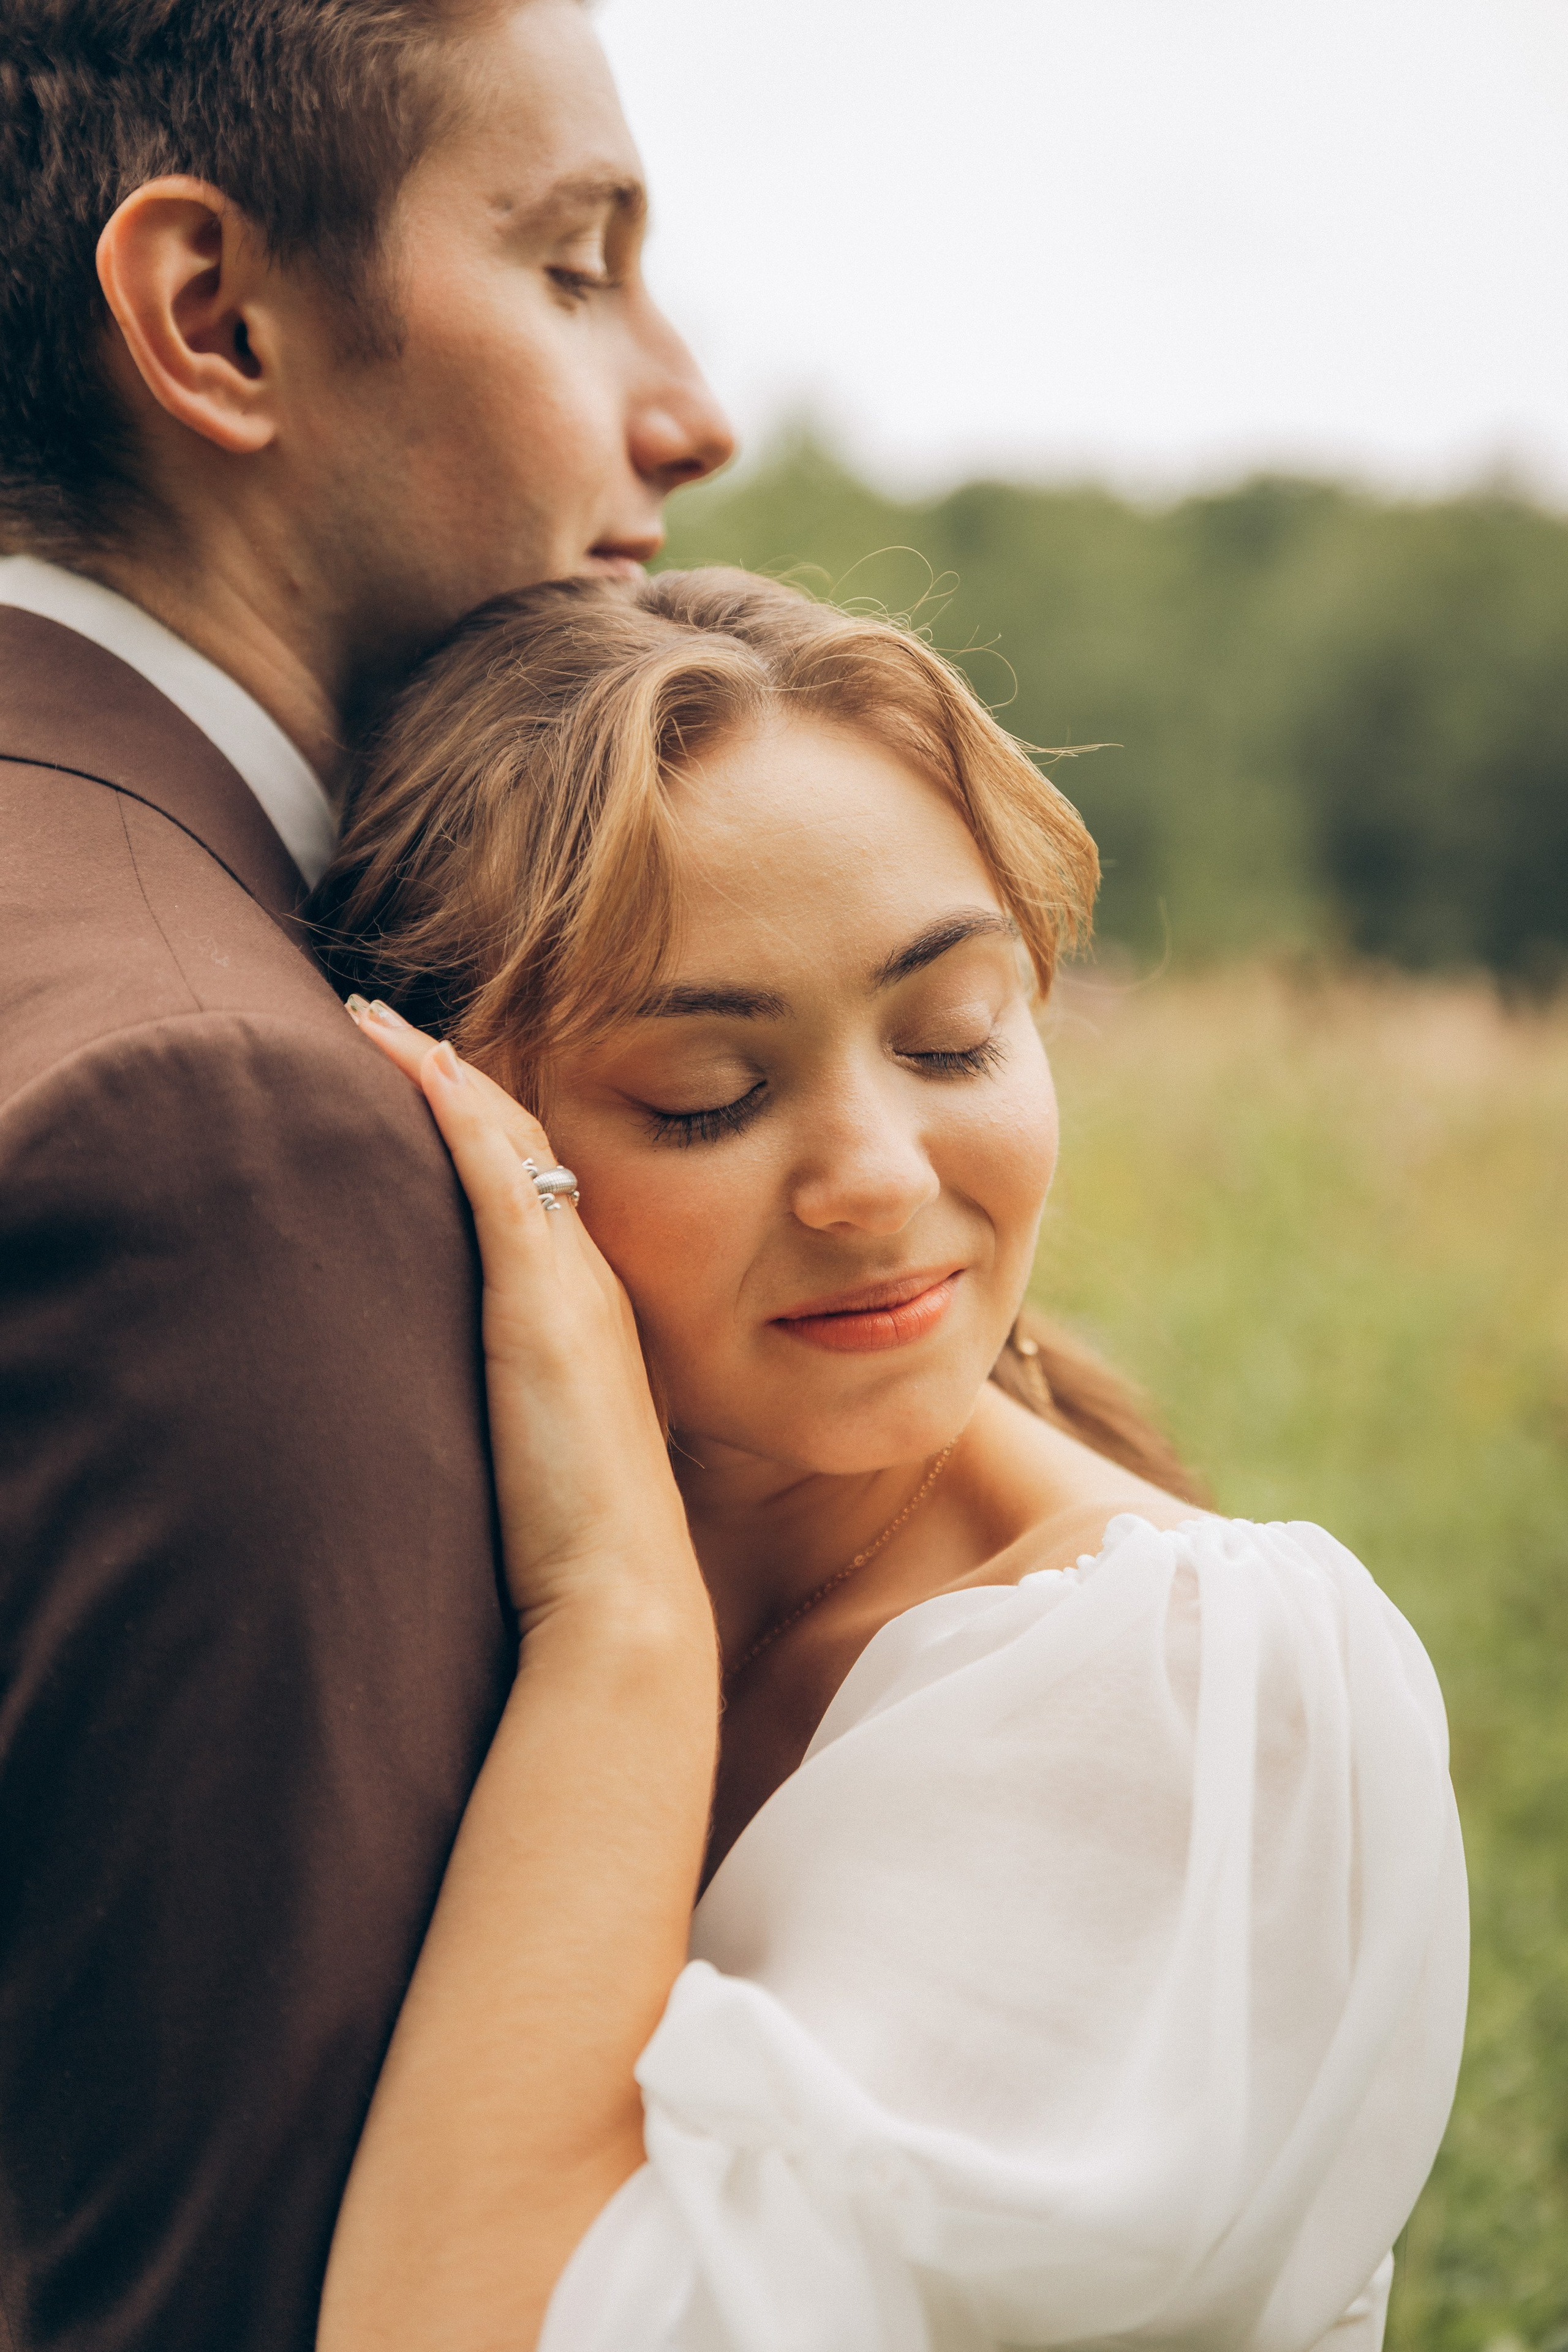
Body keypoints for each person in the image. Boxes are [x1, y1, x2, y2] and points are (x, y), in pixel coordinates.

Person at [311, 569, 1469, 2352]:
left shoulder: (1184, 1691)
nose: (878, 1178)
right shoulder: (372, 1559)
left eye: (956, 1039)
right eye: (706, 1092)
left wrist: (621, 1621)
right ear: (457, 1130)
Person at [0, 2, 732, 2342]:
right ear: (213, 319)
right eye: (573, 261)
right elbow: (209, 2291)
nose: (689, 410)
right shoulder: (214, 1125)